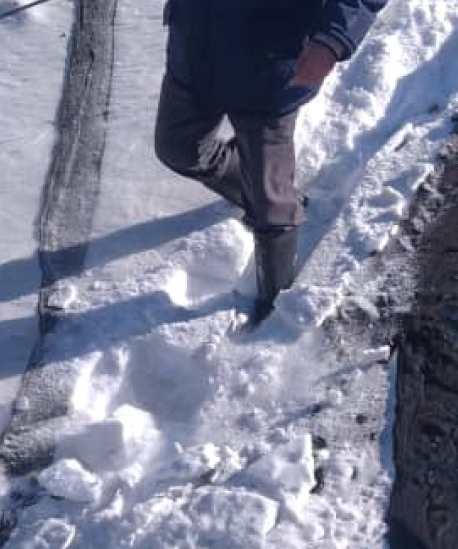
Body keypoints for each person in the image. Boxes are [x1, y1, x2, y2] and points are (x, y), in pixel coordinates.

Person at [155, 0, 388, 321]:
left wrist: (332, 40)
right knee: (177, 147)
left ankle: (274, 310)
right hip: (194, 48)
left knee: (271, 205)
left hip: (270, 63)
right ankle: (254, 187)